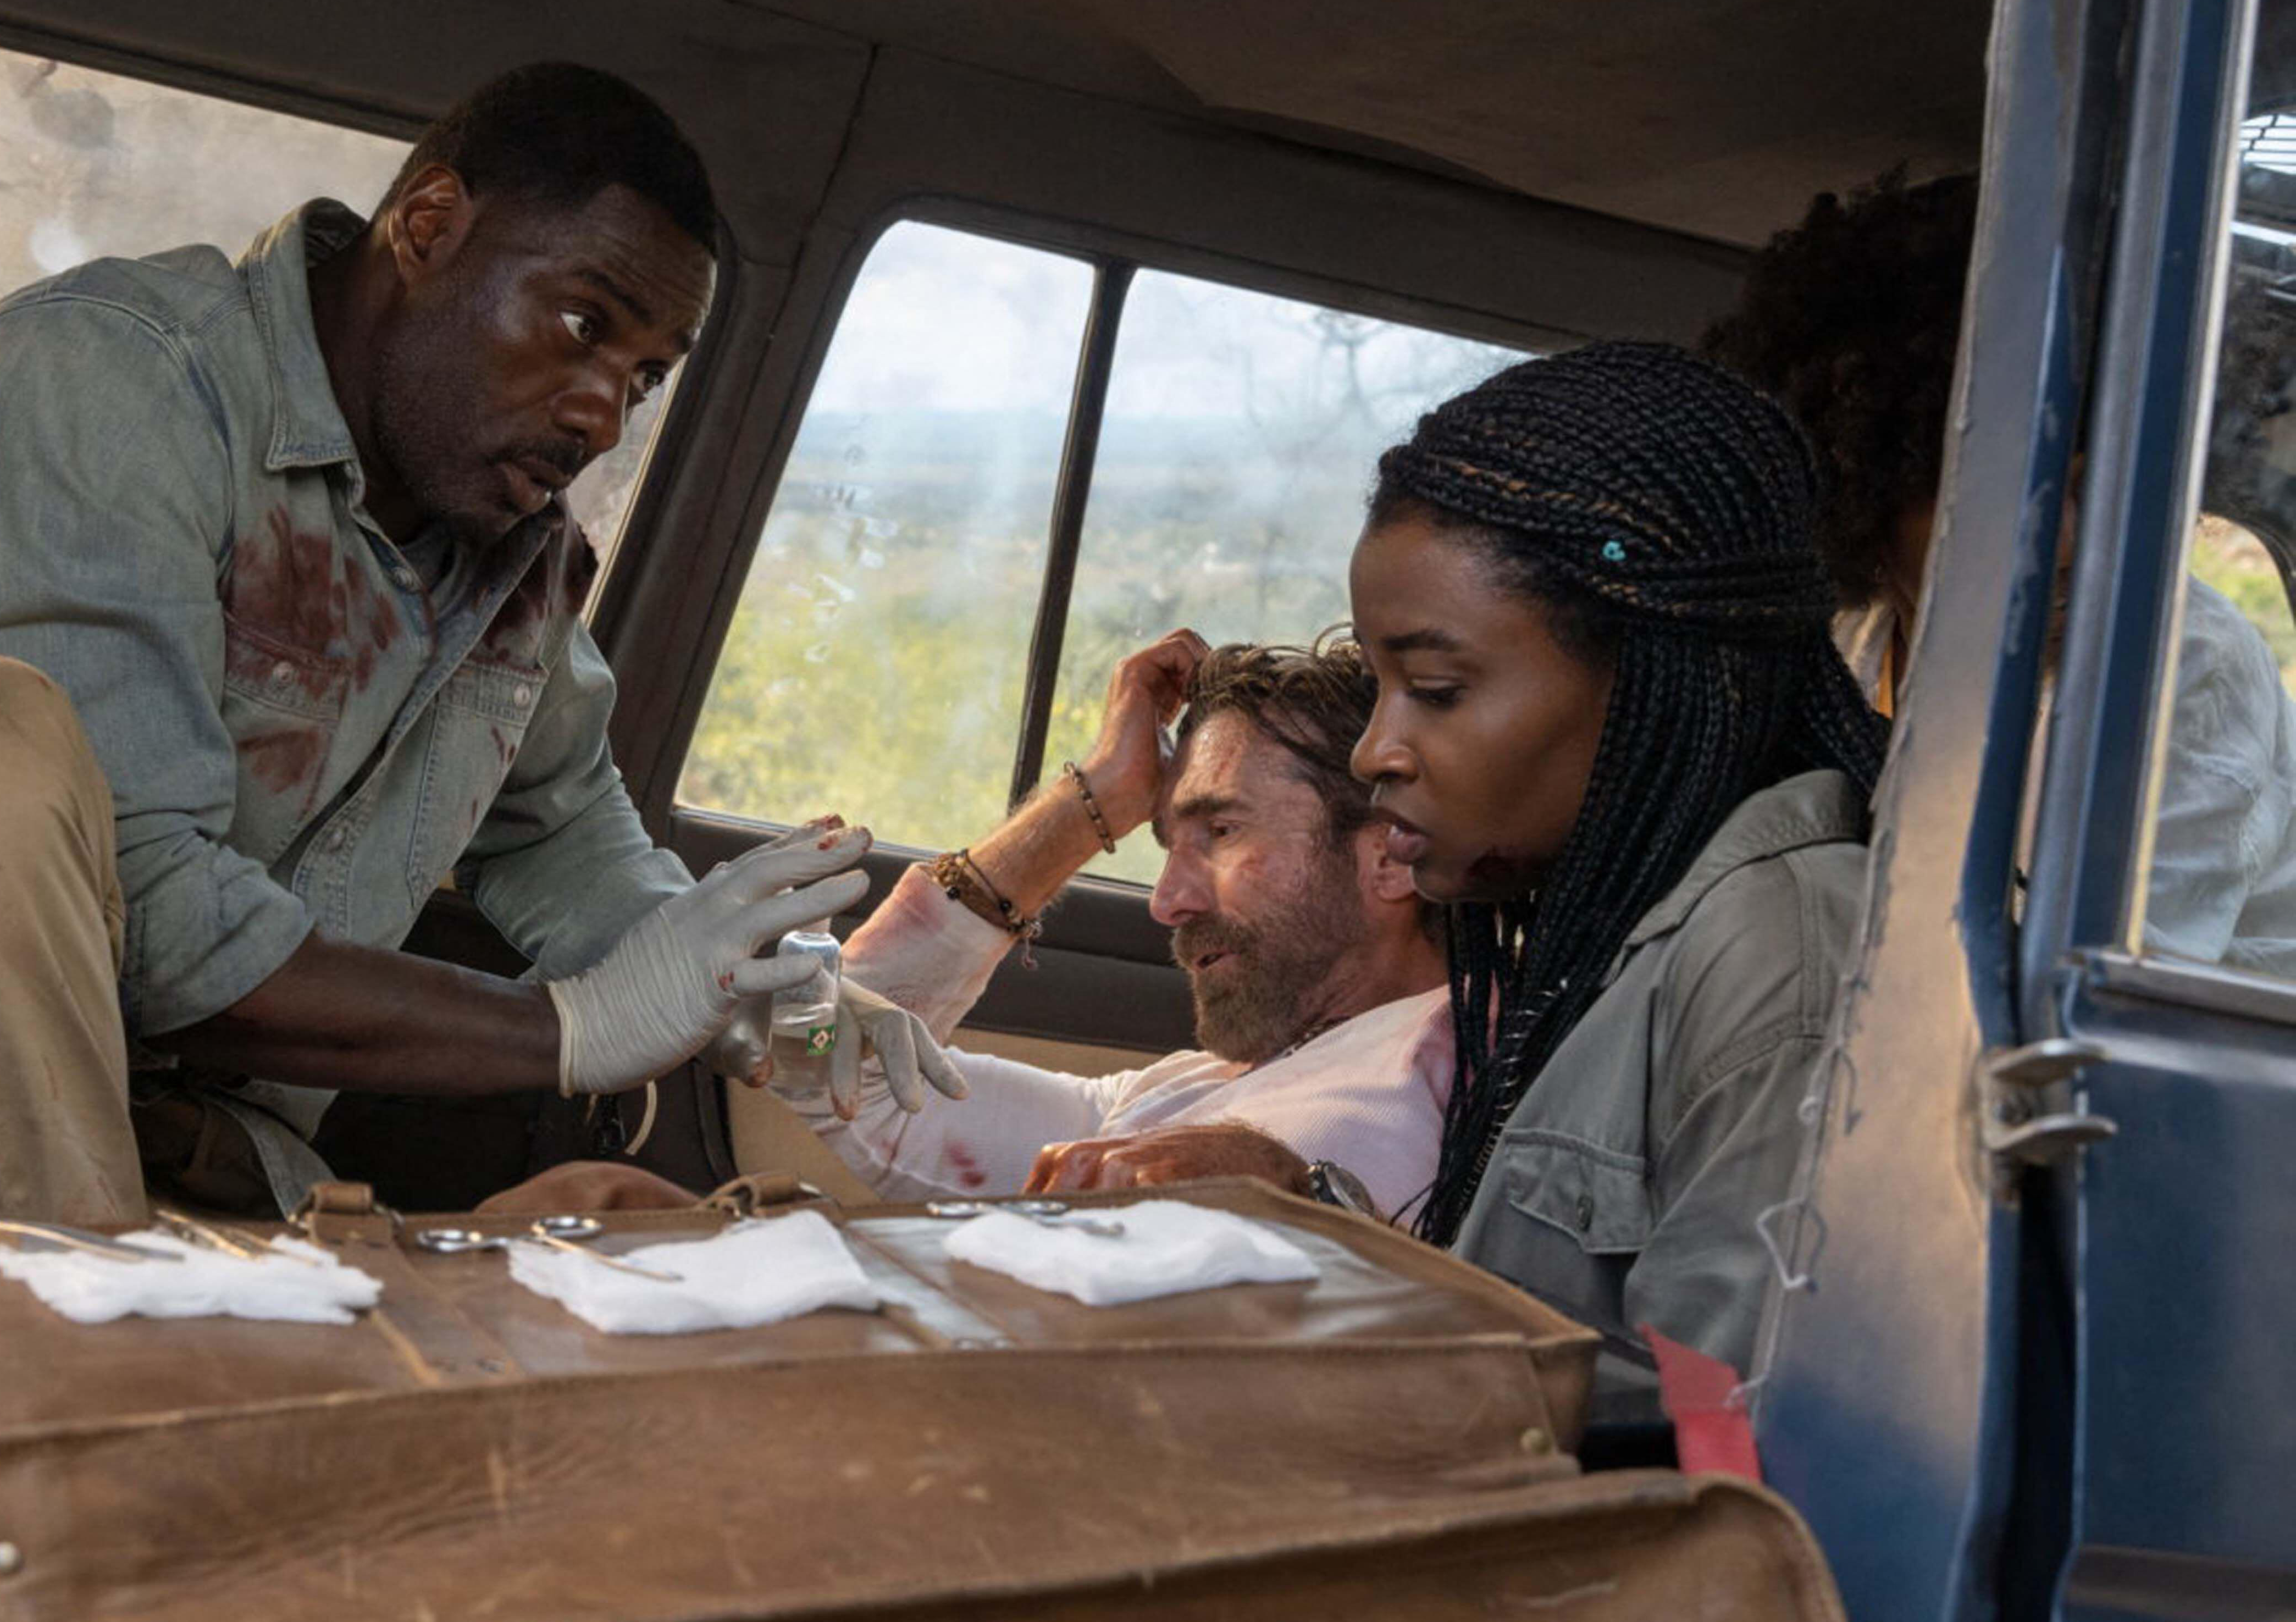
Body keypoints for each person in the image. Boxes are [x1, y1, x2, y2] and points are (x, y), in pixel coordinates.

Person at [0, 64, 947, 1357]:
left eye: (648, 376)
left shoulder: (512, 560)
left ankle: (124, 1383)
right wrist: (570, 1033)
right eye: (584, 326)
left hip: (204, 1202)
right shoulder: (106, 386)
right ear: (428, 227)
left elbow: (566, 834)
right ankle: (90, 1400)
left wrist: (762, 997)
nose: (604, 412)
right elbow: (154, 928)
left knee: (651, 1263)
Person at [1347, 340, 1889, 1391]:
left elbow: (1718, 1461)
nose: (1375, 750)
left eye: (1437, 687)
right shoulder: (1622, 929)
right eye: (1380, 684)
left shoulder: (1778, 959)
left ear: (1648, 677)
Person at [1703, 170, 2296, 973]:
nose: (2064, 543)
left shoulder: (2178, 665)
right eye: (2007, 492)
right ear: (1863, 488)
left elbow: (2078, 990)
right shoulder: (1848, 639)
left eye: (2101, 488)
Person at [772, 632, 1452, 1215]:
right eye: (1165, 844)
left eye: (1221, 830)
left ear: (1390, 853)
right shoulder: (1185, 1088)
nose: (1166, 901)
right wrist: (1091, 797)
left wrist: (1294, 1191)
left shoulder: (1464, 1060)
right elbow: (840, 1071)